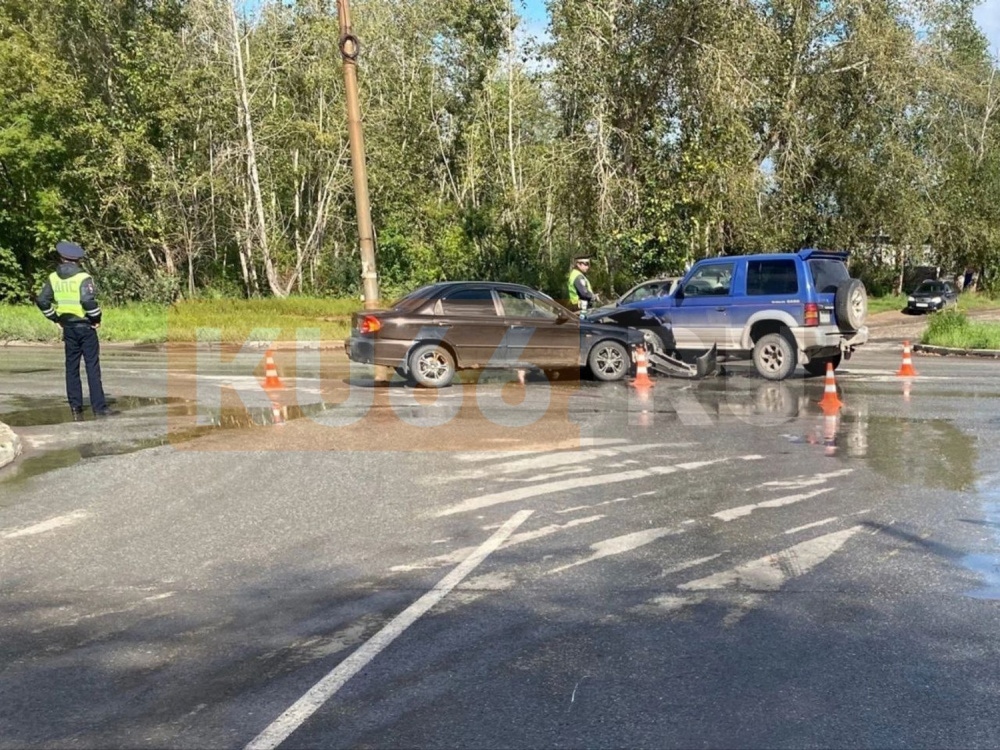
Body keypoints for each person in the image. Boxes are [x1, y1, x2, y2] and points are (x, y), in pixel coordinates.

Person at [36, 241, 116, 420]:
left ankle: (75, 407)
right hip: (85, 327)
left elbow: (42, 301)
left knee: (71, 368)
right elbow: (88, 301)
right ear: (78, 260)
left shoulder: (53, 277)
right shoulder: (83, 277)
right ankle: (99, 408)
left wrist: (55, 318)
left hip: (68, 328)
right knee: (92, 367)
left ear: (61, 258)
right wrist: (96, 319)